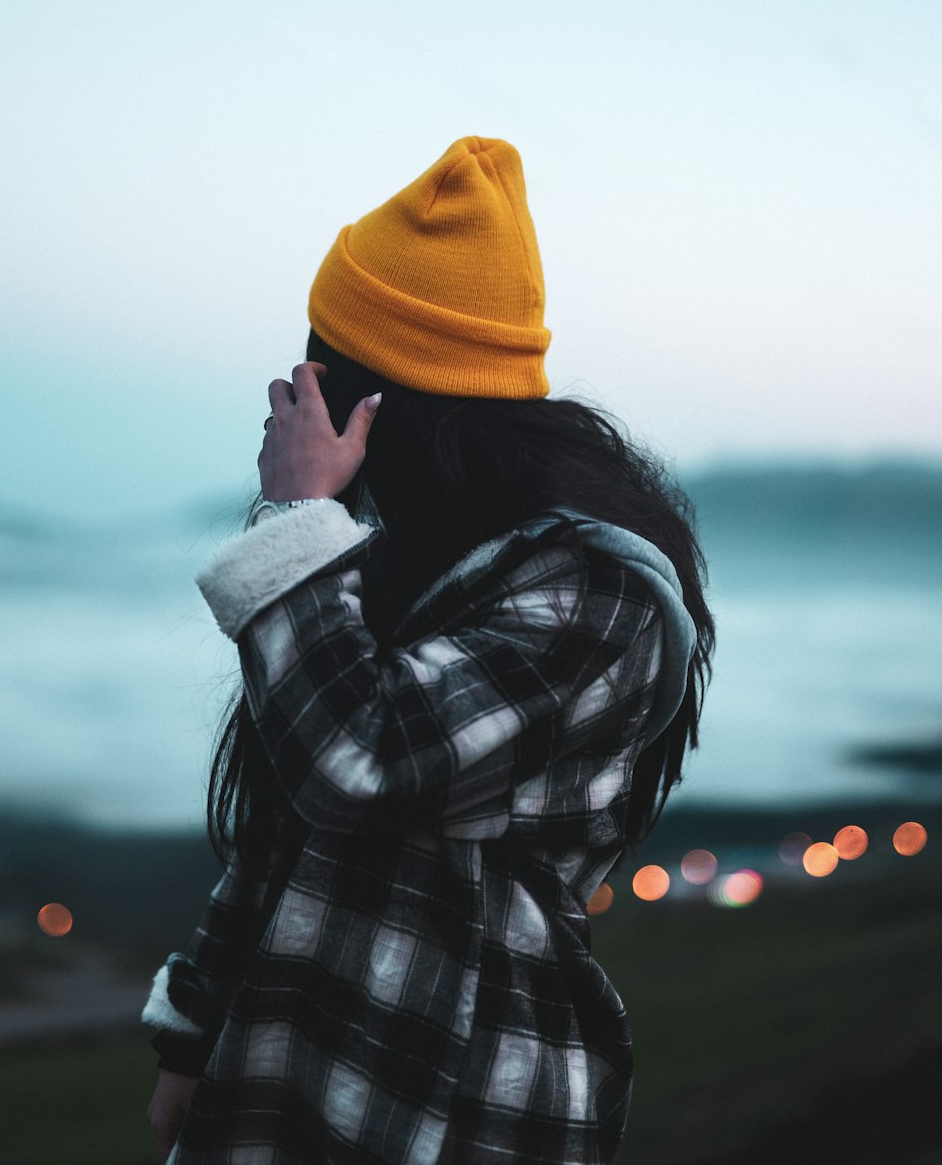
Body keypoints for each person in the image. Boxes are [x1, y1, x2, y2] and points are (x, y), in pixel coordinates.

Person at [143, 135, 714, 1165]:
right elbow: (288, 827)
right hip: (292, 1066)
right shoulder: (404, 557)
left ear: (380, 399)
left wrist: (293, 512)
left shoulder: (599, 588)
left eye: (318, 373)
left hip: (463, 1096)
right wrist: (193, 1032)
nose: (294, 401)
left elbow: (358, 761)